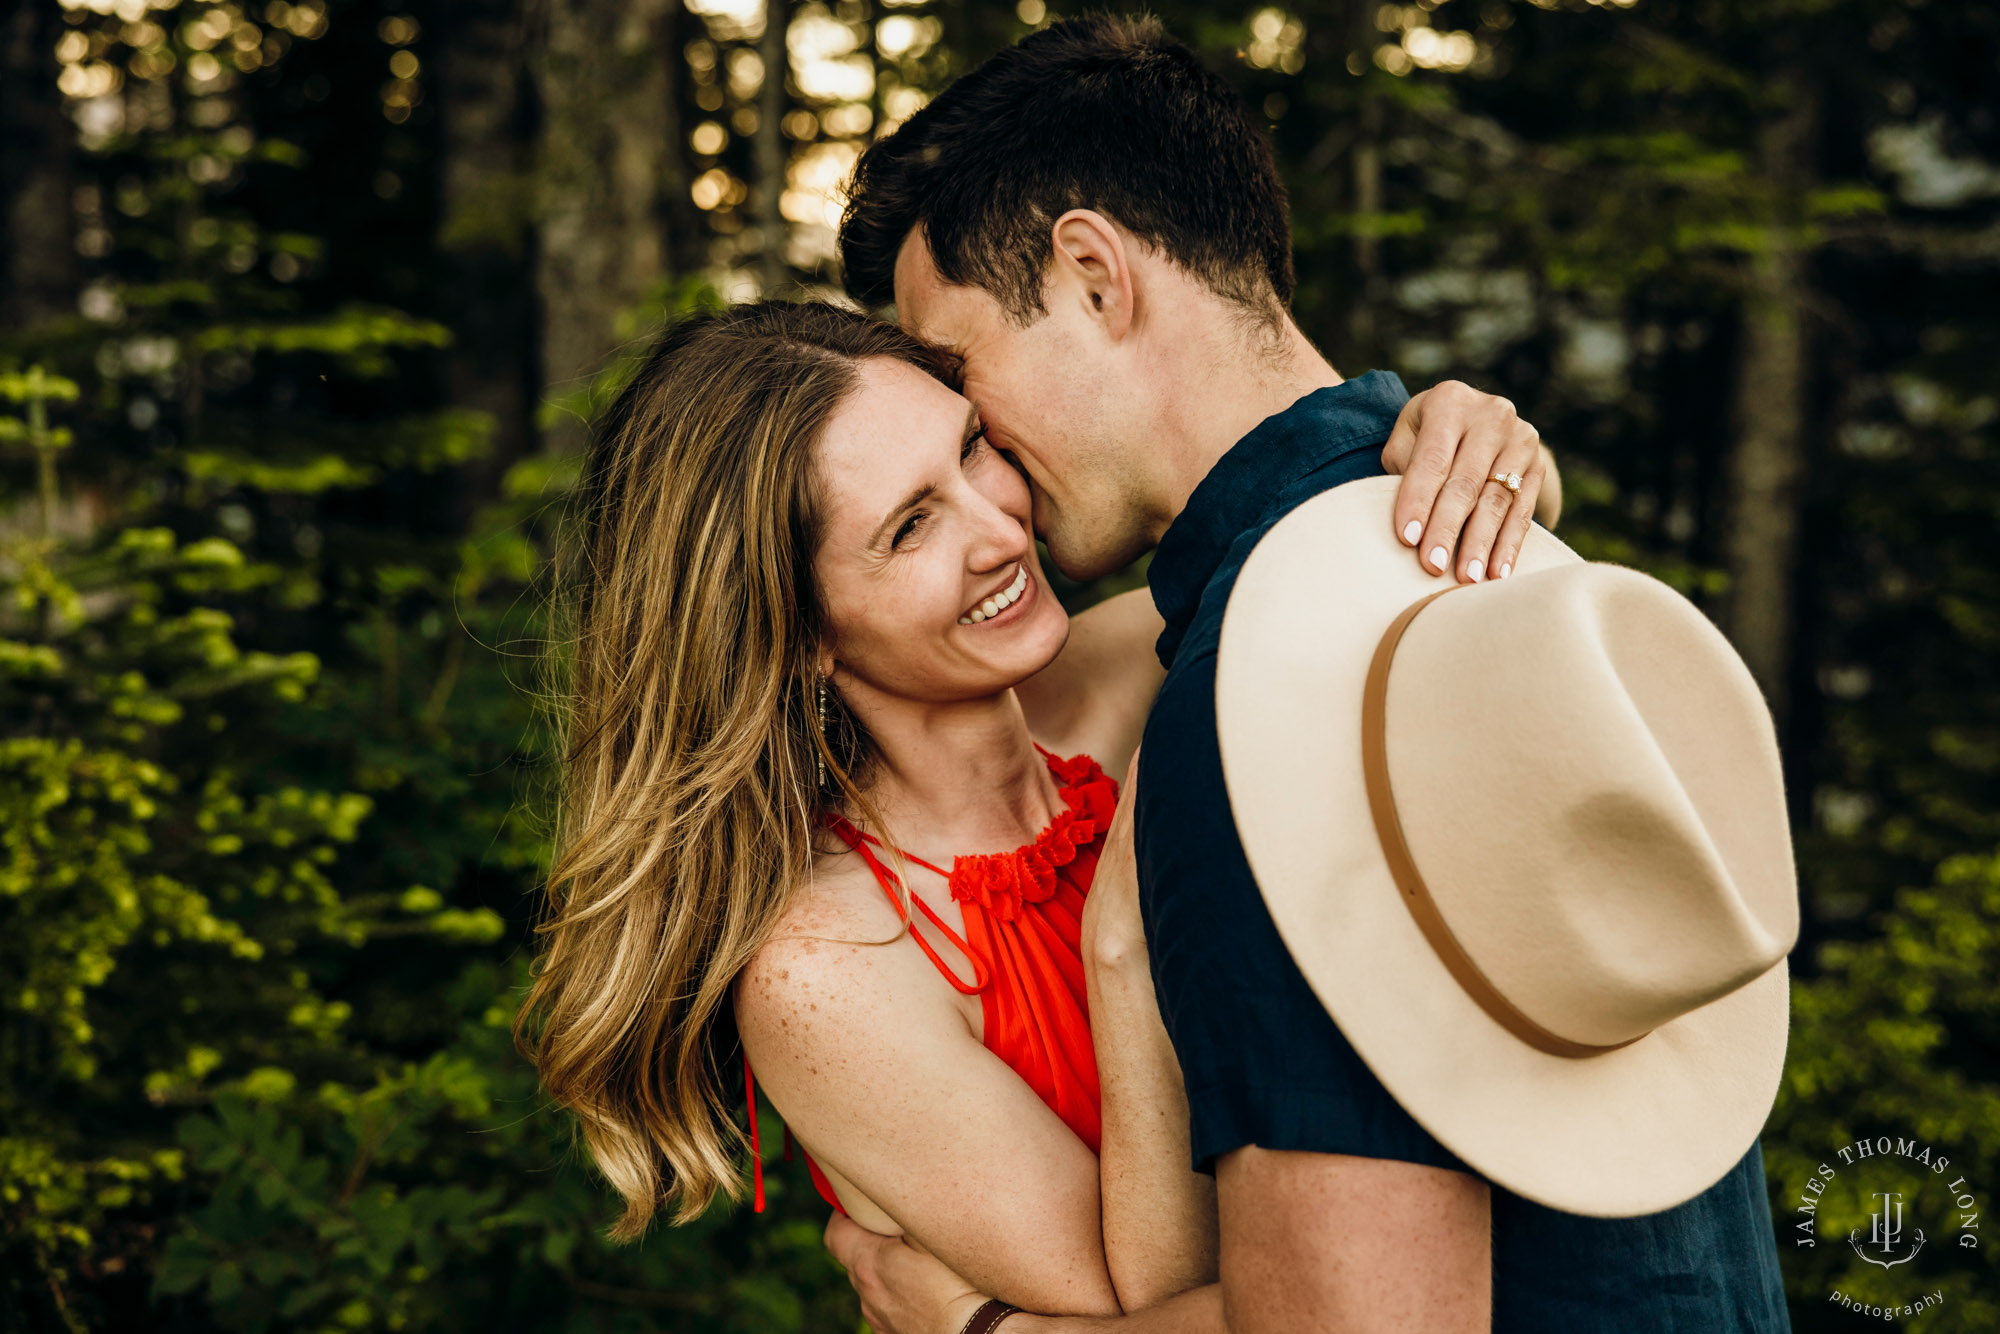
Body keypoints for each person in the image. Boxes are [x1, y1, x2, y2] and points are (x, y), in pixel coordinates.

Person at [820, 14, 1794, 1334]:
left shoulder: (1268, 696)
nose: (984, 443)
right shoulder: (1491, 561)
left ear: (1096, 276)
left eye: (964, 370)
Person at [512, 298, 1542, 1316]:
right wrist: (1125, 940)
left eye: (971, 450)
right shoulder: (829, 963)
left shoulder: (1142, 670)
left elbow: (1374, 551)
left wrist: (1463, 439)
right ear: (797, 633)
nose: (997, 526)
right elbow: (1147, 1298)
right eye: (910, 525)